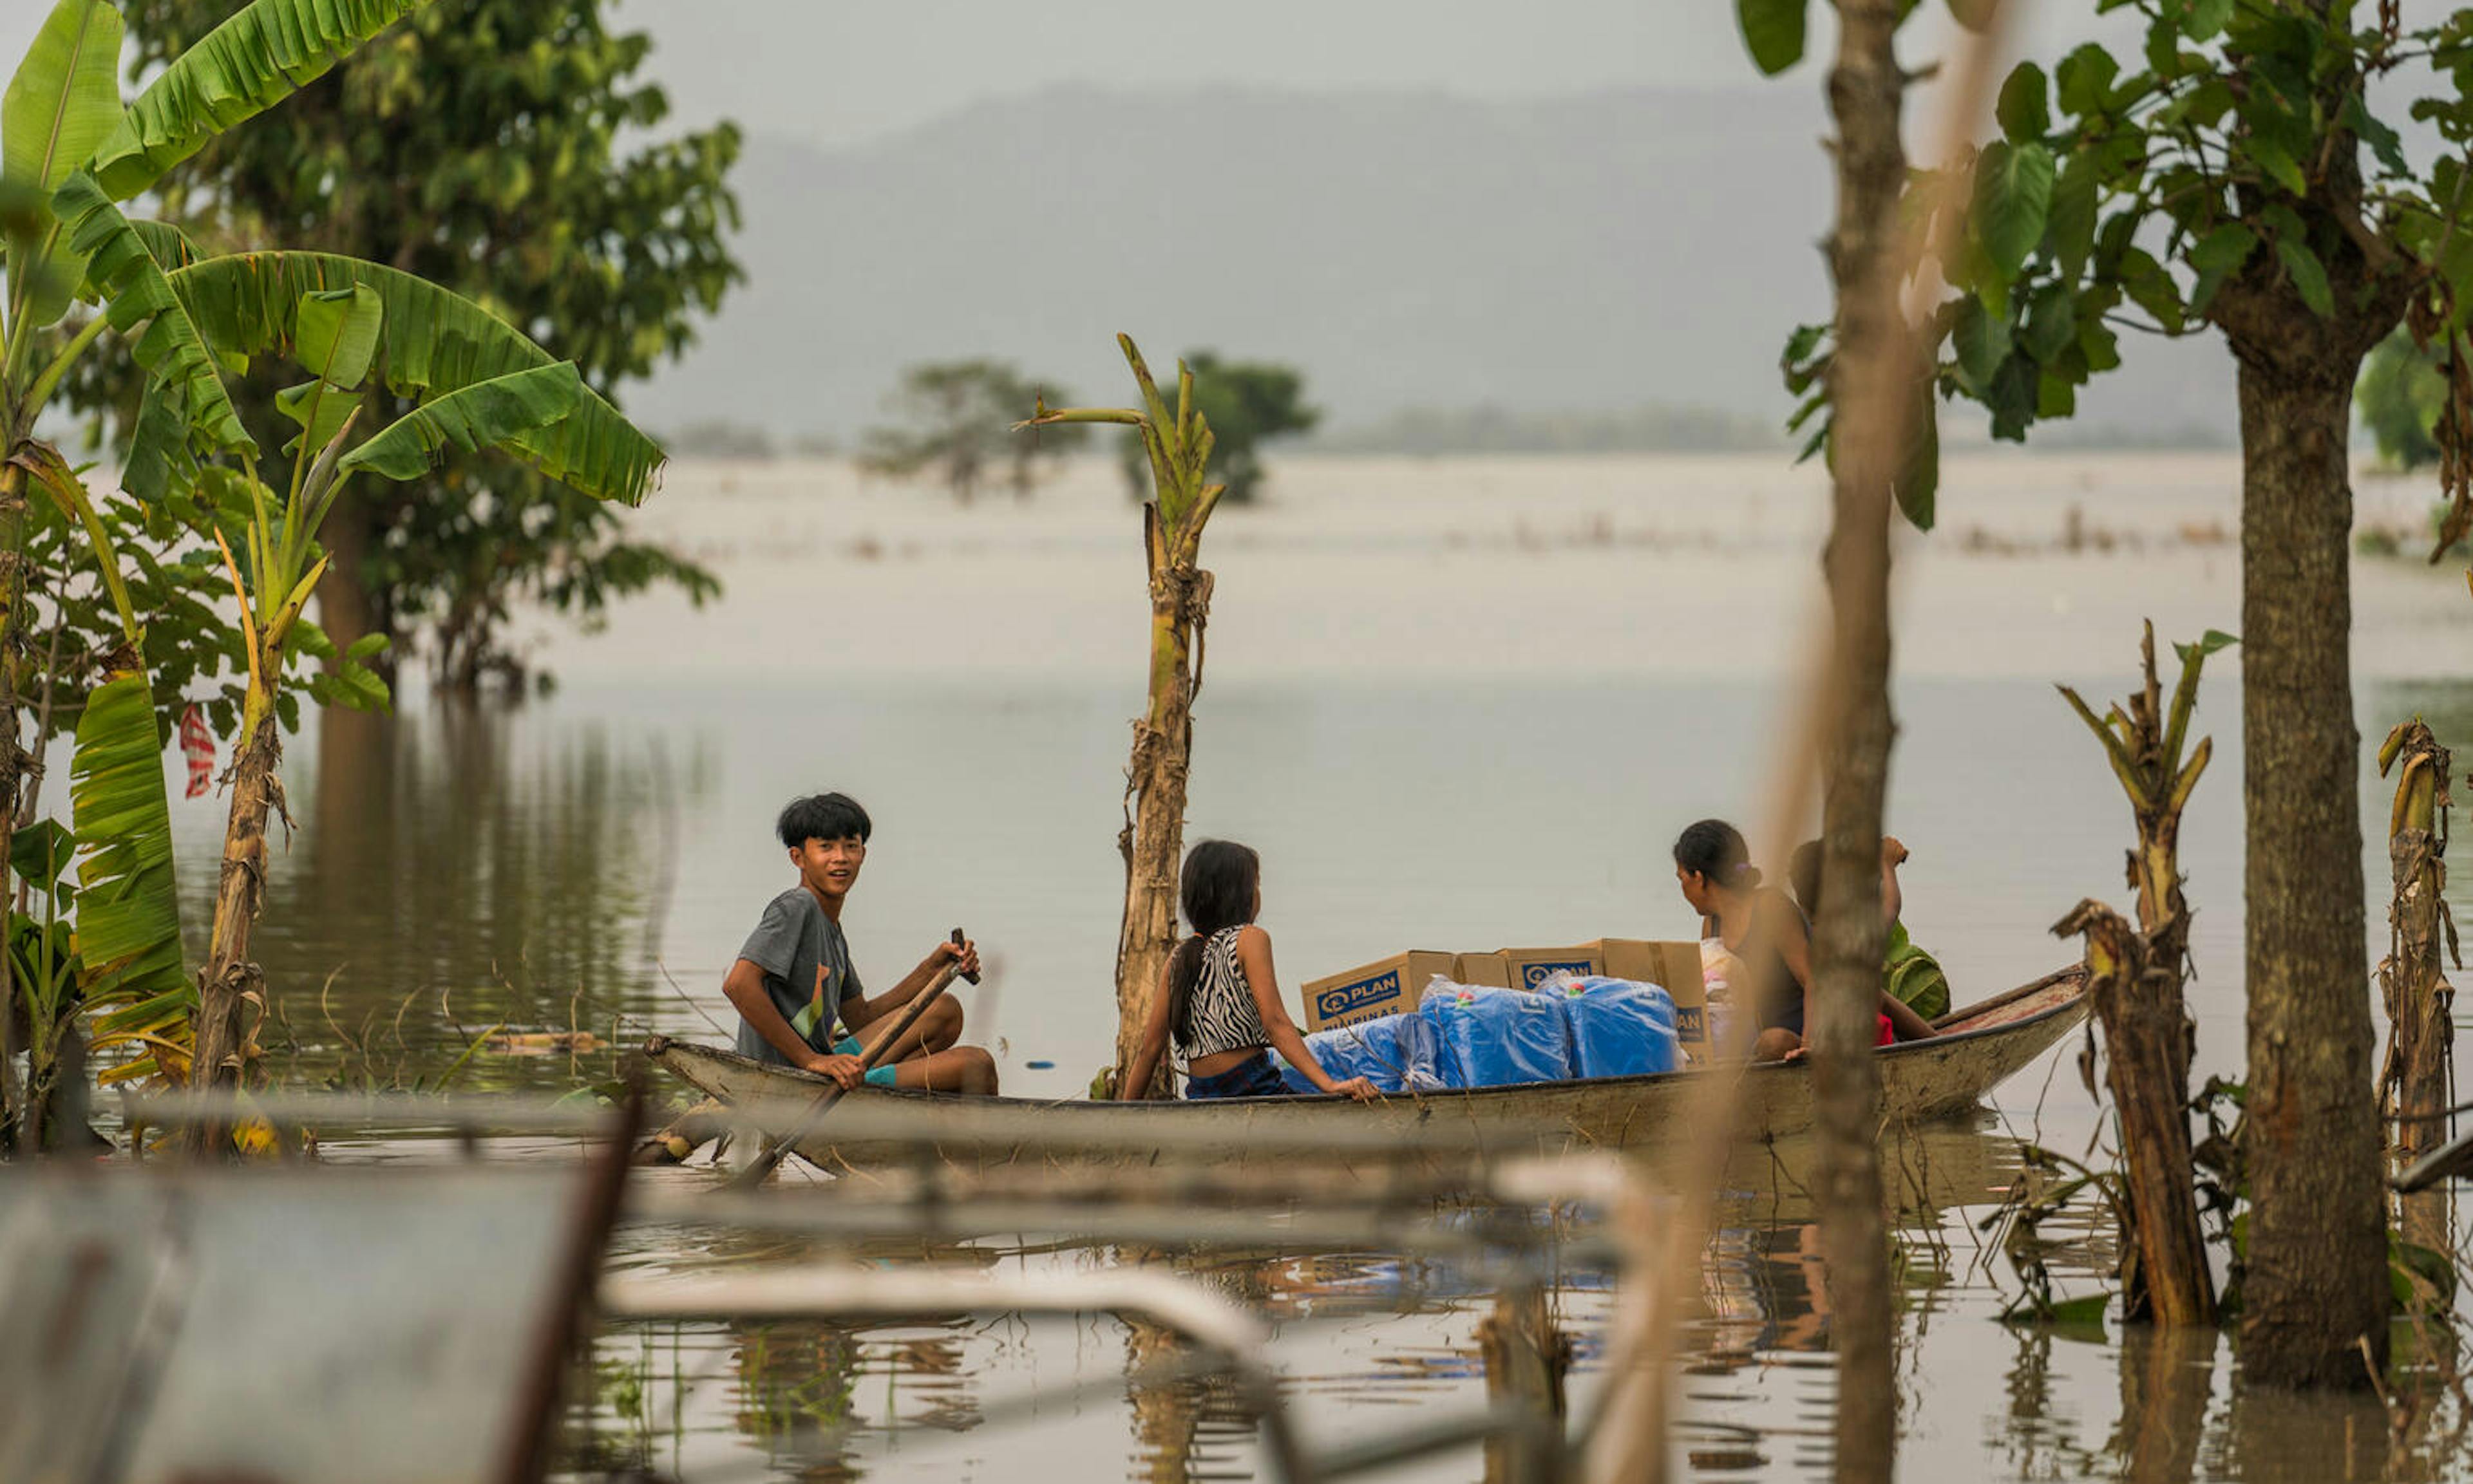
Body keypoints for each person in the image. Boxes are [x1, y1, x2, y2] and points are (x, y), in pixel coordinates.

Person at [721, 791, 998, 1094]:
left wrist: (933, 968)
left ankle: (876, 1098)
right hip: (791, 1080)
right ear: (798, 858)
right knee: (976, 1065)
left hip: (826, 1066)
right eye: (826, 847)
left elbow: (861, 1019)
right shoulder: (797, 906)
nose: (840, 858)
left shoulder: (832, 931)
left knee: (945, 1010)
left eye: (850, 847)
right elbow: (738, 984)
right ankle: (874, 1099)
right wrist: (812, 1059)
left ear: (862, 854)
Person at [1119, 840, 1380, 1102]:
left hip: (1201, 1096)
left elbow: (1150, 1049)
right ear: (1237, 893)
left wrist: (1123, 1114)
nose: (1258, 894)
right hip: (1253, 1087)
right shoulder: (1249, 939)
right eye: (1256, 884)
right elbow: (1275, 1023)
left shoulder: (1178, 958)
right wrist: (1329, 1084)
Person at [1671, 819, 1931, 1063]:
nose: (1682, 888)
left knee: (1774, 1040)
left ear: (1699, 878)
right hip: (1755, 1045)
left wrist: (1809, 1046)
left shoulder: (1771, 908)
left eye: (1681, 878)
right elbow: (1712, 994)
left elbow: (1813, 980)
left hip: (1804, 1036)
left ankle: (1936, 1043)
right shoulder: (1711, 924)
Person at [1790, 836, 1951, 1021]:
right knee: (1880, 997)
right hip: (1851, 1029)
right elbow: (1890, 907)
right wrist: (1887, 865)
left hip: (1809, 1026)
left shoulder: (1799, 936)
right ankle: (1931, 1039)